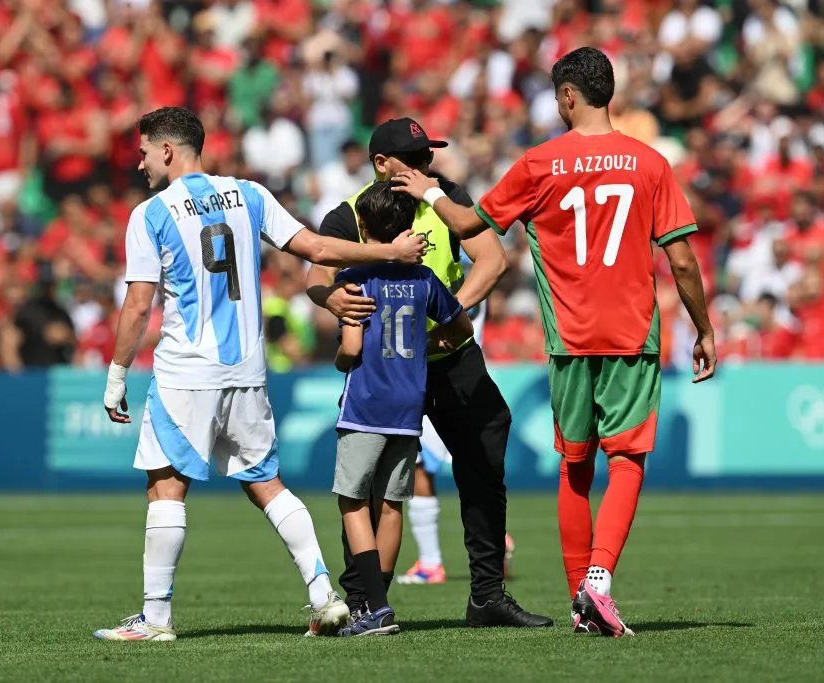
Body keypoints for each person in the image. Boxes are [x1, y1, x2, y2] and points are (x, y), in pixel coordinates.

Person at [393, 47, 717, 637]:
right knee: (627, 459)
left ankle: (579, 598)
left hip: (568, 339)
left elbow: (467, 226)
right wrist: (703, 328)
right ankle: (598, 583)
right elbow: (684, 262)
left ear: (568, 95)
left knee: (575, 464)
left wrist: (425, 189)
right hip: (629, 335)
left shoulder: (540, 163)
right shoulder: (649, 163)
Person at [95, 107, 426, 641]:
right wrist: (388, 252)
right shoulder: (248, 194)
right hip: (248, 370)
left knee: (165, 488)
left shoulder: (151, 214)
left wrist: (116, 376)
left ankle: (155, 619)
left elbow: (137, 305)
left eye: (141, 152)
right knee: (266, 483)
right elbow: (316, 248)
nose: (138, 164)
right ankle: (323, 596)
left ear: (167, 150)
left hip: (187, 371)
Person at [306, 117, 551, 628]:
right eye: (414, 159)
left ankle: (486, 594)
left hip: (450, 360)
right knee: (372, 486)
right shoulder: (354, 213)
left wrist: (445, 321)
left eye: (428, 157)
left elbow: (491, 261)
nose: (424, 167)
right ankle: (365, 602)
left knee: (484, 458)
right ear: (381, 165)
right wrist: (335, 302)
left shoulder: (447, 197)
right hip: (389, 368)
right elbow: (317, 273)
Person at [331, 181, 473, 635]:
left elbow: (351, 347)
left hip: (366, 402)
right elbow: (461, 329)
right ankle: (382, 599)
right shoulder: (424, 278)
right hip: (409, 404)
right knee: (392, 504)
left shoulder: (355, 275)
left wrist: (339, 360)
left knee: (353, 501)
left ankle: (372, 606)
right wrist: (421, 343)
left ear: (362, 226)